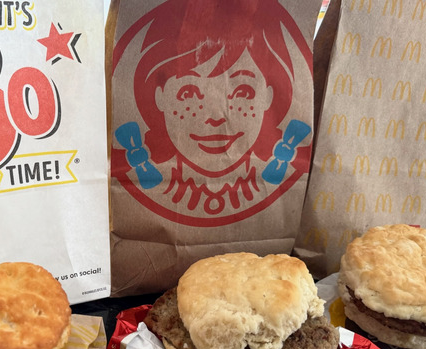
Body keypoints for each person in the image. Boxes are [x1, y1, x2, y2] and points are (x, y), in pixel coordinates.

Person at [112, 0, 313, 225]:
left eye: (243, 92)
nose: (216, 117)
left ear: (268, 97)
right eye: (188, 93)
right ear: (159, 97)